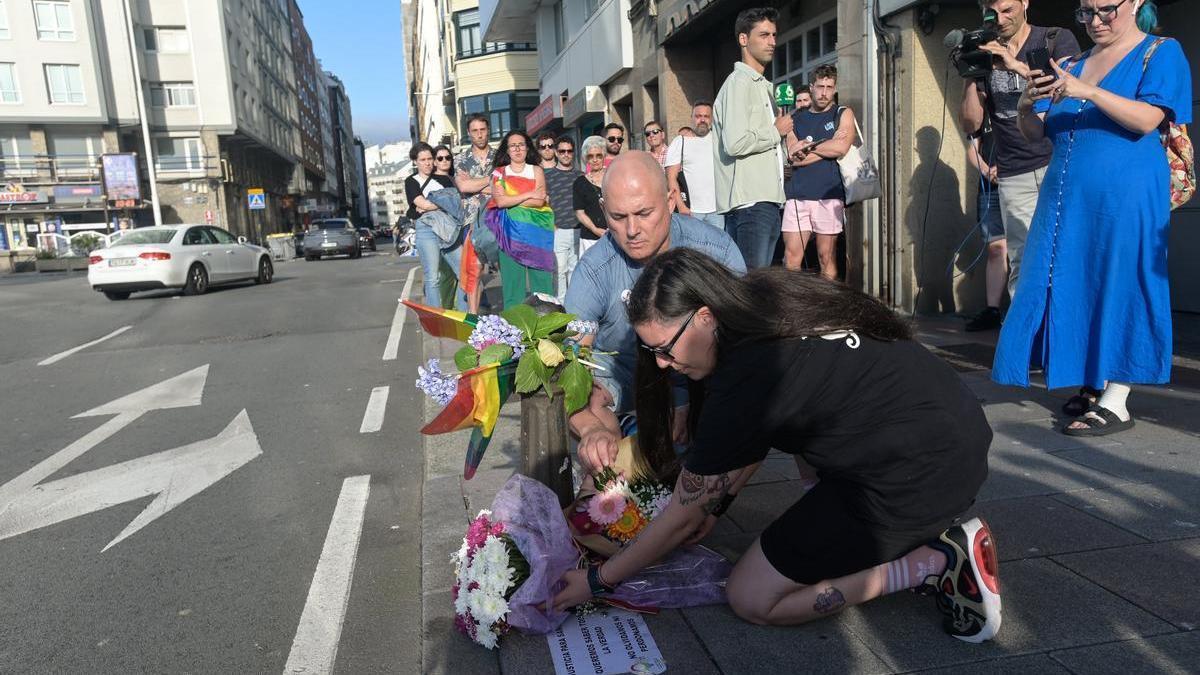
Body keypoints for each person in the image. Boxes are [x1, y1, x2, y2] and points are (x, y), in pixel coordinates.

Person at [554, 247, 1002, 644]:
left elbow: (681, 514)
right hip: (951, 428)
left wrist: (597, 580)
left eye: (666, 349)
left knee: (752, 596)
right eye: (651, 351)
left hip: (918, 476)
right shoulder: (763, 296)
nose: (662, 364)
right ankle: (865, 531)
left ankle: (934, 560)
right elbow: (755, 440)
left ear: (705, 316)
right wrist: (719, 501)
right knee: (810, 453)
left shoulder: (747, 376)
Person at [994, 0, 1190, 436]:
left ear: (1135, 2)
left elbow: (1147, 119)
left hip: (1127, 193)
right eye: (1085, 12)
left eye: (1106, 10)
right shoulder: (1072, 62)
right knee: (1071, 279)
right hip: (1065, 194)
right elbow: (1039, 132)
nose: (1095, 21)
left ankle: (1117, 399)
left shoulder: (1160, 51)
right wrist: (1026, 106)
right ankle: (1092, 381)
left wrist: (1090, 92)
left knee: (1123, 280)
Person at [565, 152, 746, 476]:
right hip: (622, 381)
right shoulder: (592, 272)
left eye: (644, 213)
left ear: (670, 200)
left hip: (699, 379)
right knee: (589, 396)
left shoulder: (716, 253)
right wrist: (593, 431)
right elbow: (571, 363)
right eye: (618, 217)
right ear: (603, 209)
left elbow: (746, 347)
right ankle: (611, 488)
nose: (632, 229)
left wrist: (685, 397)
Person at [961, 0, 1080, 330]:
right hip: (1013, 171)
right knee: (1023, 263)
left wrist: (1013, 64)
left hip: (1058, 162)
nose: (1000, 20)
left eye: (1007, 9)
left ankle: (1067, 335)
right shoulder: (987, 53)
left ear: (1025, 2)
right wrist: (972, 73)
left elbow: (1069, 89)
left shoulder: (1053, 39)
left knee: (1064, 254)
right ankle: (1030, 339)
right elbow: (971, 123)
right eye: (991, 13)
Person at [713, 7, 789, 269]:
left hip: (767, 199)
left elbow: (763, 143)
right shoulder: (739, 83)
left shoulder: (763, 86)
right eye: (764, 35)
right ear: (743, 39)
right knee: (750, 288)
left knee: (757, 286)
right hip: (751, 203)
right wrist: (775, 132)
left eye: (774, 35)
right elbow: (734, 142)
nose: (772, 42)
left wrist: (789, 151)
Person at [782, 64, 856, 280]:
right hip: (797, 196)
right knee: (791, 259)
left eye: (829, 87)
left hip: (829, 196)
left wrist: (809, 147)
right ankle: (793, 308)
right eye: (820, 86)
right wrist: (827, 146)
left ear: (834, 88)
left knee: (826, 258)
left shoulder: (843, 113)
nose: (824, 92)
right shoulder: (796, 117)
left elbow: (841, 148)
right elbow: (793, 155)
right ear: (811, 87)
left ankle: (828, 309)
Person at [485, 130, 555, 309]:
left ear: (527, 148)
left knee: (543, 289)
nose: (517, 149)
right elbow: (500, 202)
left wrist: (514, 200)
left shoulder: (536, 170)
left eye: (521, 145)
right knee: (512, 290)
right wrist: (530, 193)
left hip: (537, 235)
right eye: (513, 145)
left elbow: (540, 201)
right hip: (509, 236)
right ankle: (514, 332)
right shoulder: (499, 173)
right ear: (507, 150)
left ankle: (546, 331)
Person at [405, 142, 466, 309]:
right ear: (415, 161)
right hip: (426, 230)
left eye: (430, 159)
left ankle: (463, 312)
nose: (427, 163)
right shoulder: (411, 181)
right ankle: (435, 315)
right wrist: (439, 202)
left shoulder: (444, 179)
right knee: (432, 276)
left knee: (464, 273)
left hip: (447, 229)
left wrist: (428, 204)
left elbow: (455, 203)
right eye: (423, 159)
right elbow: (421, 204)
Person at [455, 114, 501, 313]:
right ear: (468, 133)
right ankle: (473, 319)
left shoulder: (500, 156)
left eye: (482, 129)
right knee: (474, 270)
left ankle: (510, 315)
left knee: (505, 268)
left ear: (488, 130)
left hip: (498, 218)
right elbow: (463, 187)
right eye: (475, 131)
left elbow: (504, 186)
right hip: (472, 221)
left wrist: (477, 184)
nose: (479, 134)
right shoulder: (461, 159)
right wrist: (489, 181)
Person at [964, 129, 1005, 332]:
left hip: (1020, 182)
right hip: (990, 189)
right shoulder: (983, 110)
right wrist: (987, 170)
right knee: (996, 248)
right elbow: (972, 149)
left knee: (1023, 249)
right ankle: (993, 310)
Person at [666, 101, 724, 230]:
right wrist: (681, 206)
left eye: (706, 116)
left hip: (718, 211)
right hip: (691, 211)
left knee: (717, 249)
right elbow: (671, 177)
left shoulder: (719, 140)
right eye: (698, 116)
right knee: (693, 250)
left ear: (712, 119)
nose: (702, 120)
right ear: (691, 118)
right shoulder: (680, 142)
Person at [546, 135, 583, 301]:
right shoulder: (548, 176)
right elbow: (544, 202)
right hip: (558, 230)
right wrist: (551, 225)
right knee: (559, 270)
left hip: (578, 230)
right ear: (556, 152)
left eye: (569, 151)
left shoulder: (581, 176)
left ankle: (573, 304)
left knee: (575, 270)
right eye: (562, 151)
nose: (566, 154)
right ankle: (560, 304)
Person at [572, 136, 609, 258]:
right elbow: (580, 213)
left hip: (614, 235)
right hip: (590, 238)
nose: (595, 160)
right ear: (585, 158)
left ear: (604, 156)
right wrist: (595, 230)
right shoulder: (580, 182)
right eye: (590, 156)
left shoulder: (613, 176)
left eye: (599, 155)